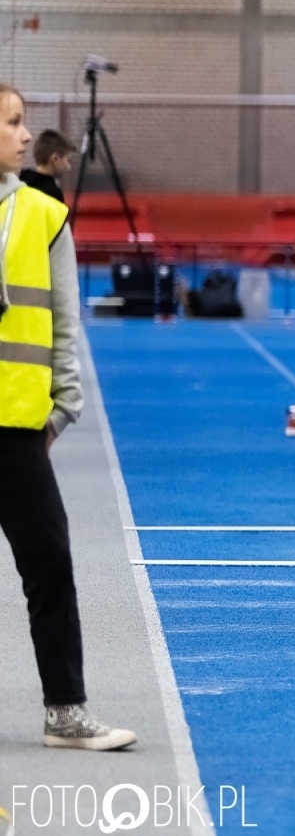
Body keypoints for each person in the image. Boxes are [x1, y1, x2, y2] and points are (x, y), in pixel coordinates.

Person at [0, 84, 135, 750]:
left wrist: (63, 410)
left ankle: (65, 713)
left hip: (19, 431)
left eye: (23, 123)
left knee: (49, 565)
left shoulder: (45, 215)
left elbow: (63, 322)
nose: (27, 137)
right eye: (14, 123)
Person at [20, 129, 73, 204]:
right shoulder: (54, 193)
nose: (69, 167)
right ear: (55, 159)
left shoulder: (20, 179)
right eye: (68, 160)